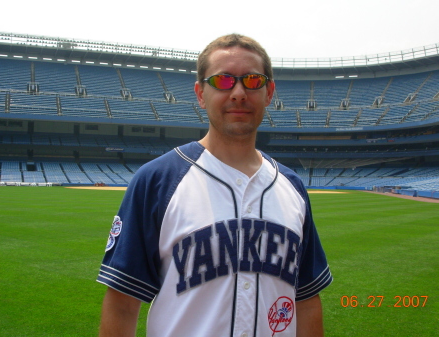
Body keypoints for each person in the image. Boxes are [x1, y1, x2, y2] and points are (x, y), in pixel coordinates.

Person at [97, 33, 332, 337]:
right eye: (223, 81)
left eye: (252, 80)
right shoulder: (157, 181)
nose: (238, 93)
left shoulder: (292, 187)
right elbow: (122, 305)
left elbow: (307, 300)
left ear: (269, 92)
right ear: (200, 93)